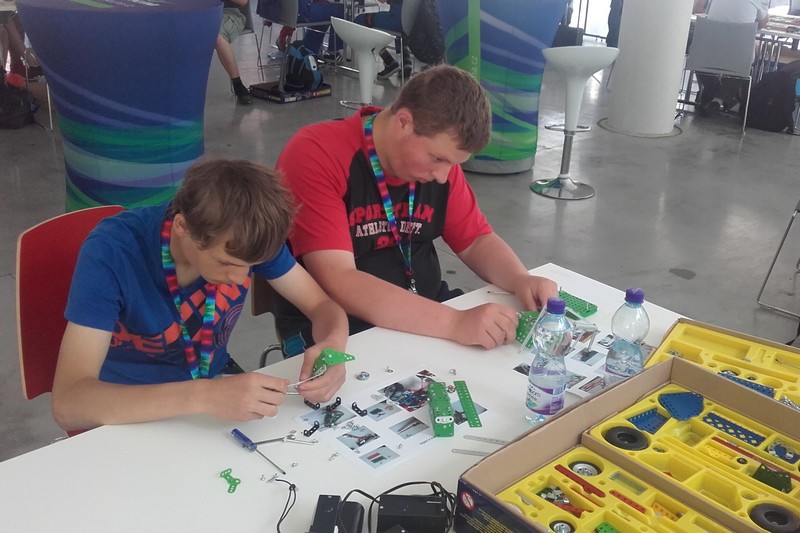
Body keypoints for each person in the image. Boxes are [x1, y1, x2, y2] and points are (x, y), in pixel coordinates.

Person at [274, 65, 558, 355]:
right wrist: (455, 323)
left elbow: (476, 240)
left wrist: (520, 279)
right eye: (437, 159)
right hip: (339, 329)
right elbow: (339, 280)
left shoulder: (439, 162)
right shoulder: (316, 154)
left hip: (428, 313)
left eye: (454, 164)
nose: (443, 177)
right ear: (404, 122)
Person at [51, 159, 349, 432]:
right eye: (225, 263)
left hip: (207, 396)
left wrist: (333, 346)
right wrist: (205, 395)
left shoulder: (246, 240)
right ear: (182, 227)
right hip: (125, 411)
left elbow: (322, 306)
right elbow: (68, 406)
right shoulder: (112, 253)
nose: (241, 278)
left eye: (251, 266)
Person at [695, 0, 769, 116]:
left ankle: (715, 97)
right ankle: (720, 99)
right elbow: (761, 24)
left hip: (707, 54)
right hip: (739, 55)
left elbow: (704, 11)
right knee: (744, 62)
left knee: (698, 61)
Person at [355, 0, 412, 80]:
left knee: (359, 20)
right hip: (411, 20)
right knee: (402, 22)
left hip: (396, 21)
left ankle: (389, 62)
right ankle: (406, 60)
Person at [217, 0, 253, 105]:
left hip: (230, 14)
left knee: (216, 36)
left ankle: (237, 83)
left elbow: (243, 1)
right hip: (202, 14)